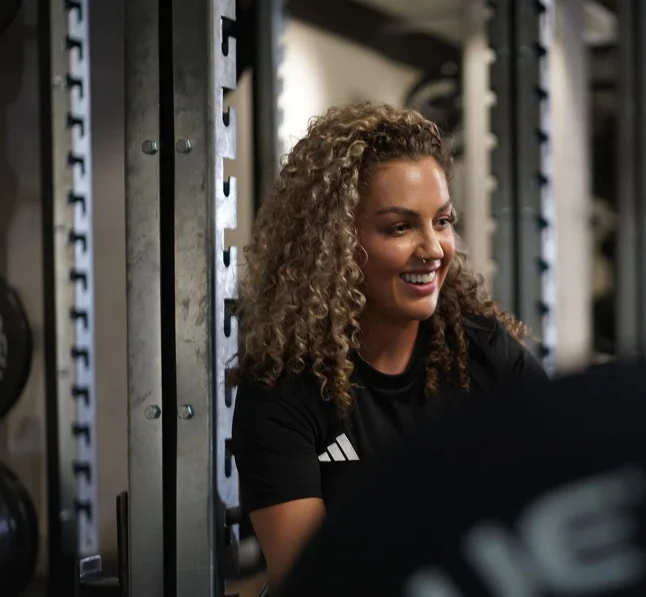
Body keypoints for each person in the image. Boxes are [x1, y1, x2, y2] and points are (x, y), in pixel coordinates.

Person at [230, 101, 547, 589]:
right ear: (334, 242)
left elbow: (562, 490)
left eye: (442, 220)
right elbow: (315, 582)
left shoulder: (485, 355)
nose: (434, 248)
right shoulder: (284, 390)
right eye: (400, 227)